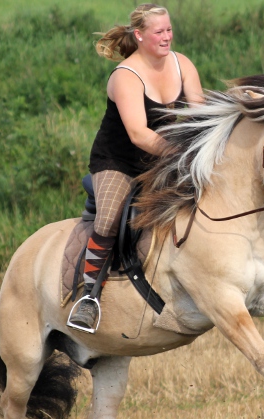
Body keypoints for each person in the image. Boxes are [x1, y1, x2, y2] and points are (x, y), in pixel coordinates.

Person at [69, 3, 203, 332]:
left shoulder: (182, 64)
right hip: (119, 162)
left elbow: (200, 112)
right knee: (111, 215)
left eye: (169, 30)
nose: (167, 37)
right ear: (140, 35)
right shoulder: (125, 76)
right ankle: (89, 297)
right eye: (159, 32)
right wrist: (181, 155)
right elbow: (139, 134)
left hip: (162, 160)